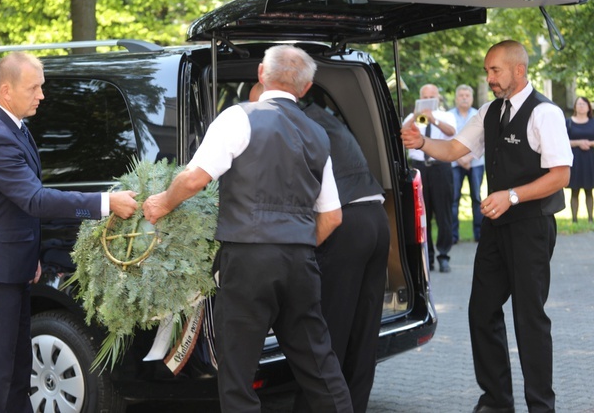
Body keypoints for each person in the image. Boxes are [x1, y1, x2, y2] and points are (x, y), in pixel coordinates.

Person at [143, 45, 353, 413]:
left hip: (248, 259)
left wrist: (161, 203)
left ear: (260, 73)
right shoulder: (319, 134)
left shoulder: (239, 117)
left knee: (239, 374)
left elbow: (194, 179)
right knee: (319, 366)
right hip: (301, 261)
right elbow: (332, 216)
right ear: (305, 88)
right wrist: (297, 247)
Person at [0, 52, 138, 413]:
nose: (42, 95)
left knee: (19, 370)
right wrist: (105, 203)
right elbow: (34, 200)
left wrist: (32, 256)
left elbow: (11, 207)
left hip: (13, 266)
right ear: (6, 90)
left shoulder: (12, 124)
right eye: (34, 87)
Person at [400, 40, 571, 413]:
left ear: (519, 70)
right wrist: (423, 142)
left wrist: (511, 196)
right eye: (487, 71)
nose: (489, 77)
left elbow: (560, 175)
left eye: (495, 70)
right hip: (496, 229)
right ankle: (496, 402)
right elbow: (453, 150)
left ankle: (541, 406)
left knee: (530, 319)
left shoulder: (546, 113)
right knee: (481, 310)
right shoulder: (489, 112)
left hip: (532, 226)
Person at [249, 83, 390, 413]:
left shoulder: (285, 125)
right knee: (362, 334)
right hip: (376, 219)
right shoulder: (320, 116)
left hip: (345, 224)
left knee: (326, 337)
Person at [403, 84, 456, 272]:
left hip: (440, 167)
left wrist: (433, 119)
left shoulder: (446, 115)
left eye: (431, 96)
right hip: (419, 169)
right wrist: (415, 118)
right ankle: (429, 257)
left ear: (438, 98)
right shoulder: (414, 118)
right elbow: (402, 132)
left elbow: (451, 132)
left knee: (444, 214)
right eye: (424, 96)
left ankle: (444, 256)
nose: (427, 99)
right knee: (423, 214)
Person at [451, 84, 485, 243]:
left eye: (467, 95)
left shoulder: (479, 115)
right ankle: (453, 236)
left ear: (472, 98)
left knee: (477, 198)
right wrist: (459, 158)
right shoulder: (449, 116)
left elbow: (483, 139)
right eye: (461, 95)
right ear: (456, 98)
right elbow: (447, 140)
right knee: (454, 198)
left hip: (476, 162)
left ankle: (479, 234)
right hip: (454, 163)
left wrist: (468, 158)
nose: (464, 98)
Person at [565, 96, 594, 223]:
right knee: (574, 190)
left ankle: (591, 219)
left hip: (589, 159)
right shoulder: (568, 122)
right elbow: (563, 141)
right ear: (575, 106)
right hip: (575, 159)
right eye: (579, 104)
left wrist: (589, 143)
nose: (581, 106)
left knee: (589, 190)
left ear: (588, 107)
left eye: (584, 104)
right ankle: (574, 219)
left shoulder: (593, 123)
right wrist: (578, 142)